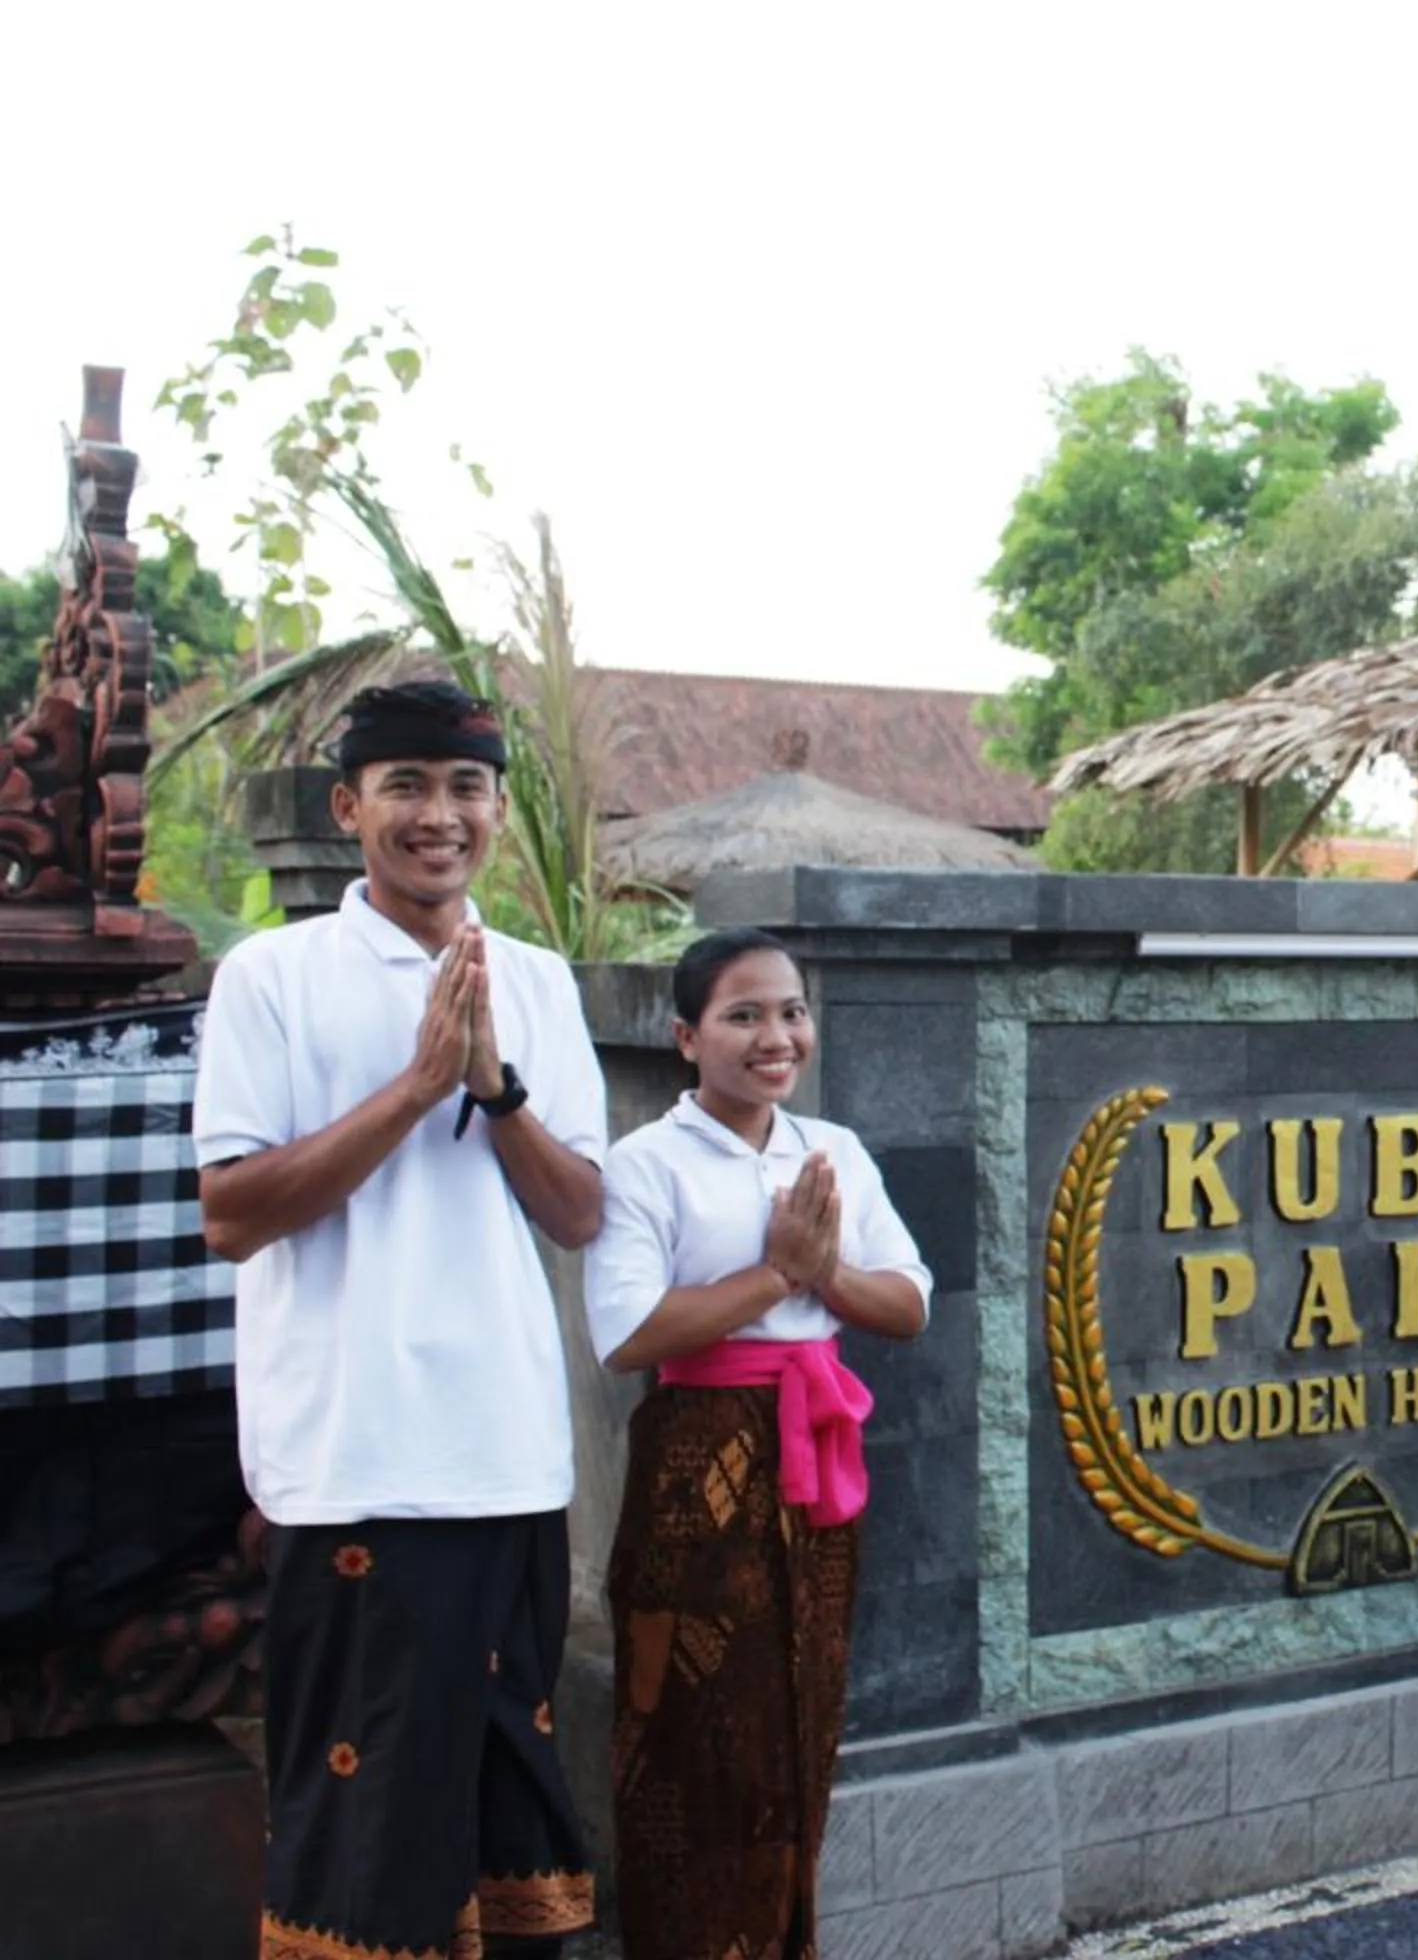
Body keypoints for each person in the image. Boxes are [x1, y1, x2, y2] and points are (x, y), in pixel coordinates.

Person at [194, 680, 608, 1959]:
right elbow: (234, 1212)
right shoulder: (274, 974)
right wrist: (416, 1084)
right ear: (349, 805)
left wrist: (493, 1090)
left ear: (495, 806)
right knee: (362, 1850)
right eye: (408, 787)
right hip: (358, 1467)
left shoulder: (536, 982)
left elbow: (580, 1209)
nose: (441, 816)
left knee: (512, 1840)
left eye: (466, 787)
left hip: (512, 1462)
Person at [589, 928, 932, 1958]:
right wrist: (779, 1276)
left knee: (801, 1715)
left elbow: (907, 1301)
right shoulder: (645, 1163)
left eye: (791, 1011)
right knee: (695, 1731)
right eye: (744, 1014)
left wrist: (821, 1274)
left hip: (814, 1458)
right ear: (687, 1036)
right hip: (697, 1467)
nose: (775, 1035)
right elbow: (627, 1335)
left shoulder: (831, 1152)